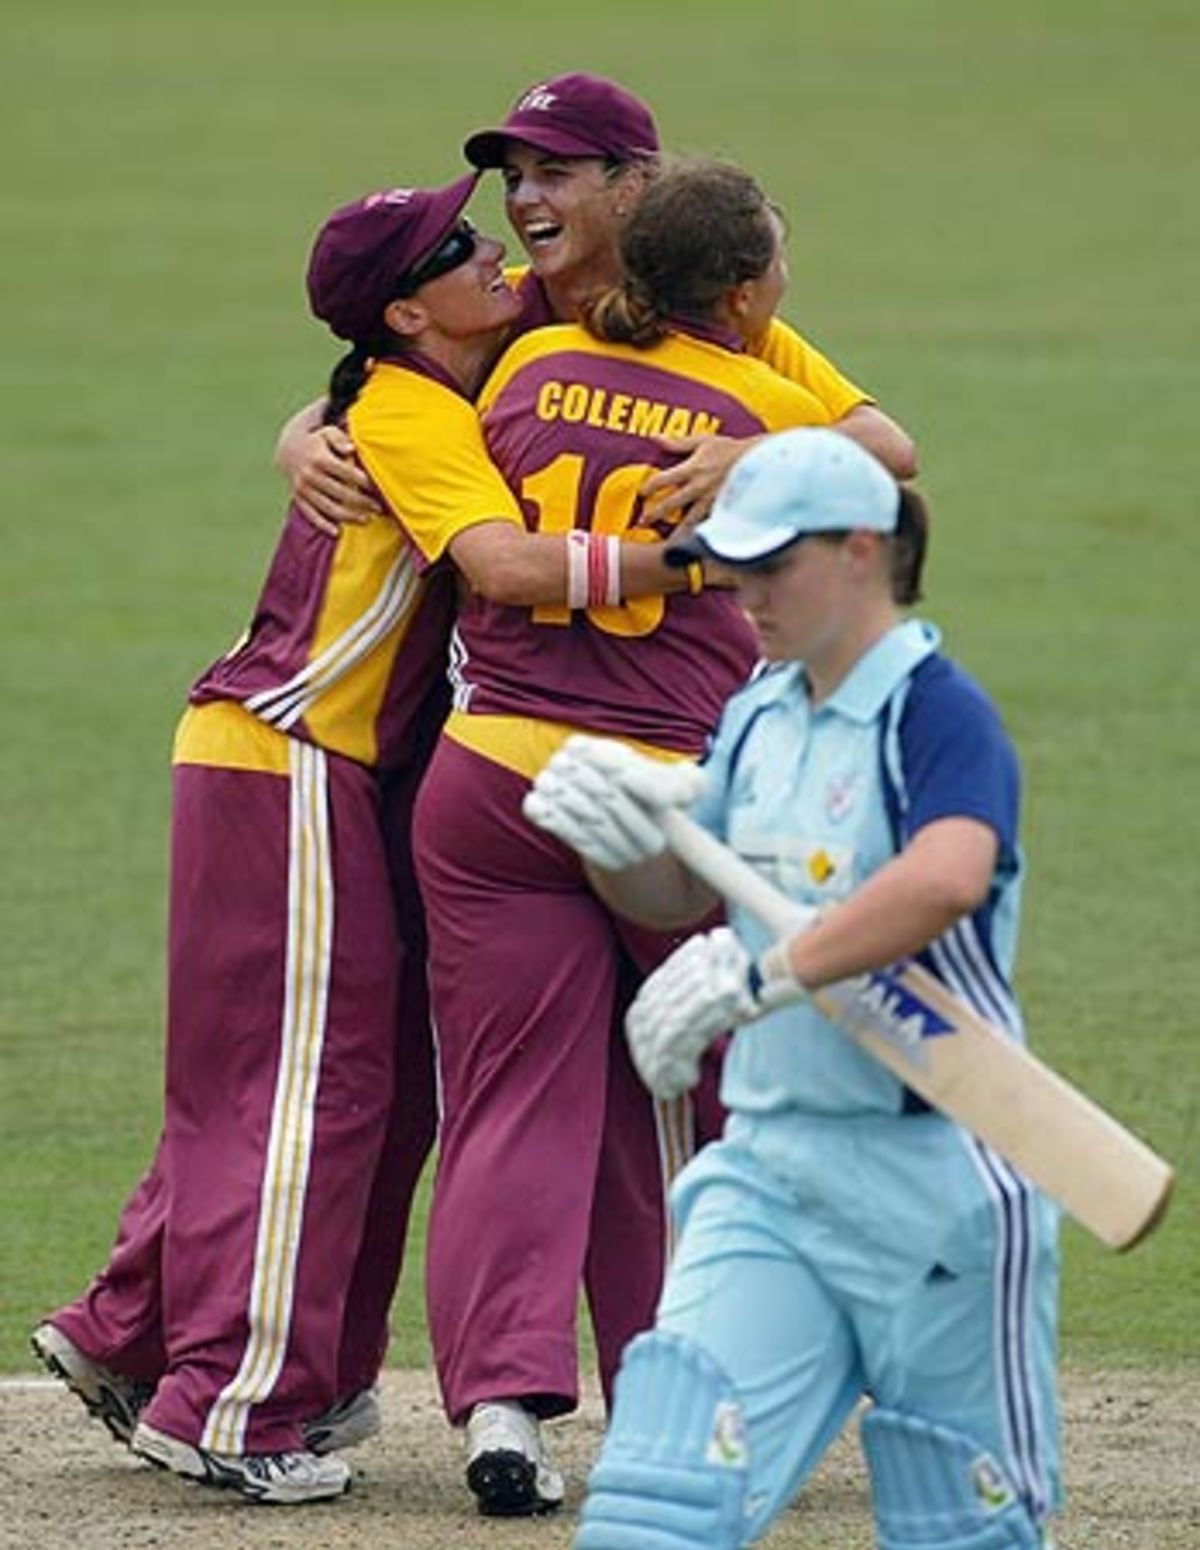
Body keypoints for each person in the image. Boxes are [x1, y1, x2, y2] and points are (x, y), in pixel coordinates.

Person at [31, 174, 693, 1506]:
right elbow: (501, 566)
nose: (496, 245)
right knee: (306, 1092)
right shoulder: (406, 404)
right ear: (404, 308)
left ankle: (134, 1331)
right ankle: (228, 1401)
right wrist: (702, 568)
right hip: (293, 761)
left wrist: (304, 420)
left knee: (322, 1080)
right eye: (461, 247)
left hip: (330, 776)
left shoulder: (442, 377)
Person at [525, 427, 1063, 1550]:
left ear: (862, 551)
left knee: (961, 1530)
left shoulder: (937, 712)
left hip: (936, 1180)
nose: (741, 590)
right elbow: (678, 893)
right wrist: (618, 837)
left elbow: (948, 873)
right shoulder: (758, 713)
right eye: (732, 563)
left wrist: (765, 972)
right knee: (651, 1514)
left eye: (771, 564)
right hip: (768, 1173)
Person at [411, 158, 851, 1520]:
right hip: (671, 807)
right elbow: (869, 525)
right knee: (703, 1101)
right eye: (777, 268)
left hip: (490, 785)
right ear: (739, 290)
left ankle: (501, 1408)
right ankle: (695, 1406)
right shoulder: (766, 408)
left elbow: (389, 412)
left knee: (508, 1099)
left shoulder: (529, 364)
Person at [280, 71, 917, 530]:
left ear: (633, 185)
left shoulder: (708, 310)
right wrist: (300, 441)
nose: (524, 199)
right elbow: (383, 389)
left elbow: (887, 447)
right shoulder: (501, 309)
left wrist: (750, 457)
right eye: (514, 179)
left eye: (553, 175)